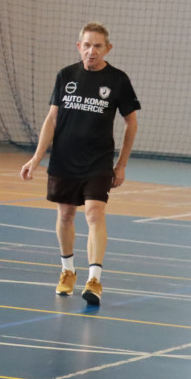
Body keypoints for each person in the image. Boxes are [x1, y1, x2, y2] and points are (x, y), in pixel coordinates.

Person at [20, 22, 139, 306]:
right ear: (79, 47)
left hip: (98, 161)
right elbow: (52, 119)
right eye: (86, 45)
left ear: (107, 48)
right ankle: (67, 271)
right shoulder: (66, 76)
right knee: (65, 216)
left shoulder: (118, 80)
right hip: (64, 159)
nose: (92, 51)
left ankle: (94, 279)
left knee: (95, 214)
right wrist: (36, 157)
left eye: (98, 46)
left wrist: (121, 164)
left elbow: (131, 122)